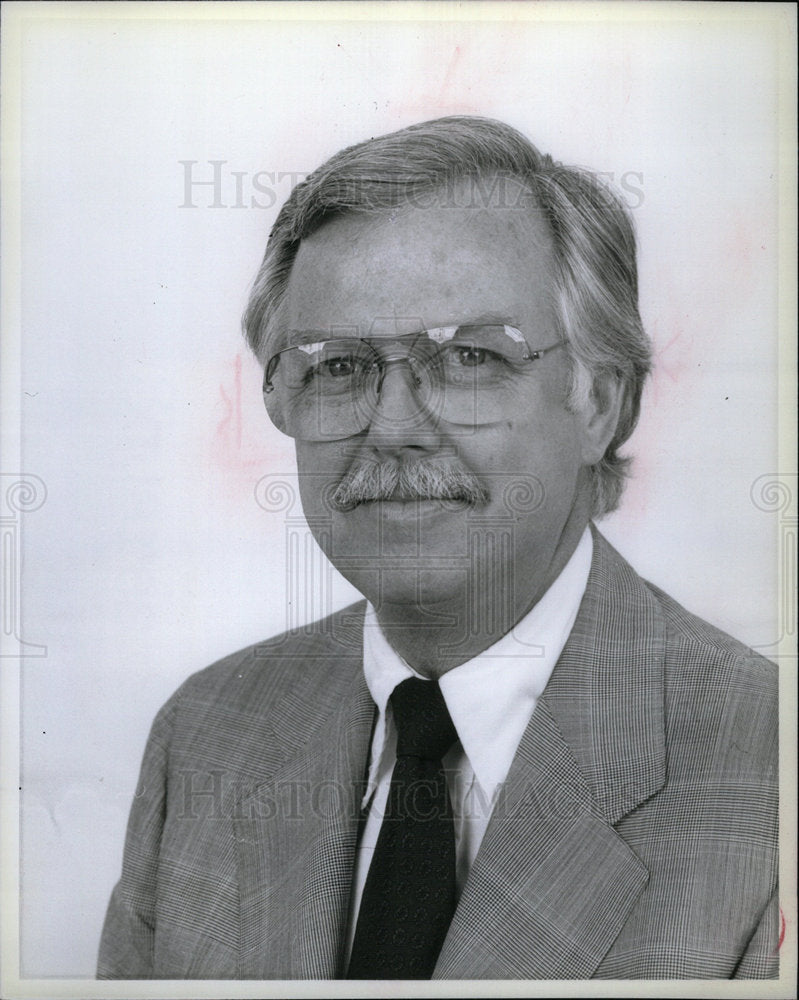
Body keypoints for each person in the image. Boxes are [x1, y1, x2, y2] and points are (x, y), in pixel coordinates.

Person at [97, 116, 778, 980]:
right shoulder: (207, 733)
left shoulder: (765, 776)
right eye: (337, 366)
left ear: (601, 405)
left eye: (468, 358)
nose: (393, 428)